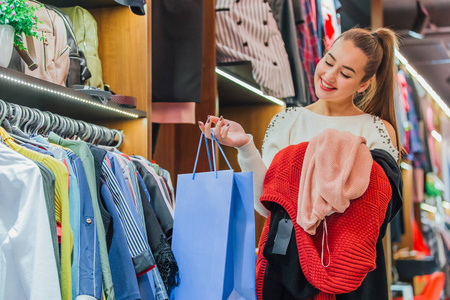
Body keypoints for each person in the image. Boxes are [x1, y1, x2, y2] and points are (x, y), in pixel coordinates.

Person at [199, 27, 403, 300]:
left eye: (345, 73)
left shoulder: (376, 130)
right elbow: (266, 204)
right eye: (328, 61)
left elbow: (375, 215)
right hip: (288, 267)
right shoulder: (287, 121)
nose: (329, 76)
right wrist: (245, 145)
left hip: (351, 276)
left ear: (363, 84)